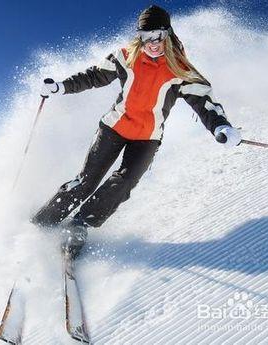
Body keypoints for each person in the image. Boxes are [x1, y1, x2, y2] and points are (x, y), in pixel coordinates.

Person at [31, 5, 241, 258]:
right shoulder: (125, 56)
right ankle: (44, 221)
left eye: (158, 36)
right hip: (114, 128)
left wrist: (220, 126)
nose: (152, 43)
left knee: (124, 183)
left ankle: (79, 225)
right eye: (145, 36)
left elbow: (204, 101)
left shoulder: (180, 69)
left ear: (168, 33)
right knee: (87, 180)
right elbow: (93, 76)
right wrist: (61, 87)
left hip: (147, 138)